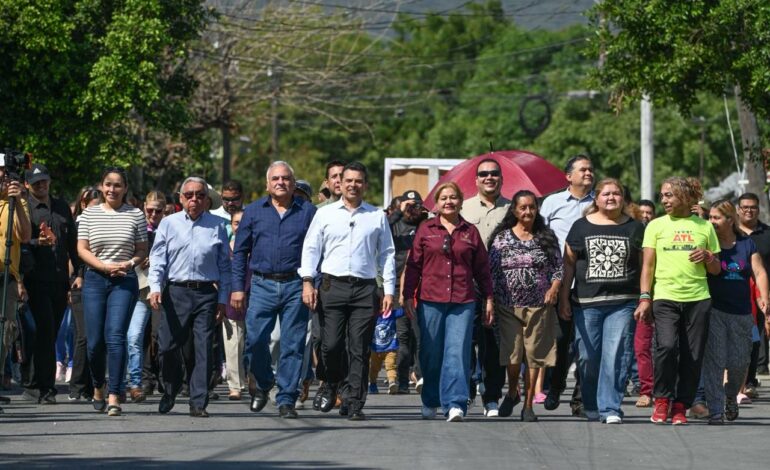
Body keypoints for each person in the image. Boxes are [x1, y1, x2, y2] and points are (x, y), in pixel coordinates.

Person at [300, 161, 396, 421]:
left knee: (359, 348)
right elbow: (311, 248)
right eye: (348, 180)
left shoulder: (376, 216)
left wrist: (388, 289)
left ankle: (354, 401)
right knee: (330, 345)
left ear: (365, 185)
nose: (353, 185)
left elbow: (386, 254)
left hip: (365, 290)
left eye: (358, 181)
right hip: (332, 286)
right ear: (339, 184)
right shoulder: (325, 214)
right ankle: (331, 383)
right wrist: (307, 281)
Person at [230, 161, 316, 419]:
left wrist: (311, 283)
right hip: (261, 284)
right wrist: (237, 288)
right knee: (255, 341)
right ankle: (264, 383)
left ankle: (287, 398)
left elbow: (316, 251)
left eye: (286, 178)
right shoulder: (254, 211)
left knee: (293, 345)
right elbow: (240, 253)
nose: (281, 182)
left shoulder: (308, 212)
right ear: (267, 184)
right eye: (276, 178)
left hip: (295, 284)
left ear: (293, 182)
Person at [403, 182, 493, 422]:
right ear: (437, 203)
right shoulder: (426, 229)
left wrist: (489, 298)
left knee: (458, 352)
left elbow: (483, 269)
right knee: (431, 354)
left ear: (461, 201)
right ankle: (431, 400)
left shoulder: (469, 231)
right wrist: (407, 295)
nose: (449, 202)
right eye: (444, 198)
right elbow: (413, 266)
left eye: (453, 197)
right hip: (430, 300)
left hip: (462, 301)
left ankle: (455, 403)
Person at [635, 176, 720, 425]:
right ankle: (662, 400)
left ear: (683, 196)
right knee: (667, 347)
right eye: (662, 195)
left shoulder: (704, 227)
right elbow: (647, 266)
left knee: (693, 355)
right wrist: (644, 298)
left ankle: (681, 405)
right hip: (665, 297)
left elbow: (715, 269)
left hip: (698, 298)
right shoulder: (656, 226)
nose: (664, 200)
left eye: (669, 195)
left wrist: (708, 257)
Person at [560, 179, 644, 424]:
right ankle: (590, 402)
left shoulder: (636, 228)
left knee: (616, 355)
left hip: (624, 302)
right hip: (586, 303)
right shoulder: (580, 227)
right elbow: (568, 265)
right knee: (588, 358)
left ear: (623, 199)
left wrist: (645, 298)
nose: (611, 197)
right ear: (596, 199)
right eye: (606, 193)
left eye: (616, 193)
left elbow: (645, 265)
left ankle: (610, 408)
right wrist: (564, 298)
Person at [148, 177, 231, 418]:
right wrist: (155, 287)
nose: (195, 199)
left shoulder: (217, 225)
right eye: (190, 194)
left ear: (207, 200)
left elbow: (225, 265)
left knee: (203, 348)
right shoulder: (168, 224)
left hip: (206, 292)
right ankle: (170, 390)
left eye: (200, 195)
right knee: (167, 347)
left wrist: (222, 299)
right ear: (181, 198)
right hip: (175, 292)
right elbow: (158, 260)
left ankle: (198, 402)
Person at [77, 167, 148, 416]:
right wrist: (104, 267)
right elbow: (82, 249)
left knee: (116, 337)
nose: (112, 189)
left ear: (125, 188)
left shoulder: (136, 214)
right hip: (96, 279)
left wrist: (129, 263)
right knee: (95, 342)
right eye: (108, 184)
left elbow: (141, 249)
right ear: (101, 186)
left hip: (124, 280)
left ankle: (114, 394)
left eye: (118, 185)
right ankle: (98, 385)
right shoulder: (88, 214)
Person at [488, 190, 562, 422]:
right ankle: (512, 392)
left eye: (531, 207)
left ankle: (528, 405)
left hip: (538, 305)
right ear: (514, 210)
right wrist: (489, 300)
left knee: (533, 356)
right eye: (523, 207)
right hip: (507, 305)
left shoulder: (546, 237)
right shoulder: (501, 239)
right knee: (512, 355)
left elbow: (558, 268)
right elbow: (489, 272)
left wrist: (554, 288)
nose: (528, 211)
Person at [701, 200, 769, 424]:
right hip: (714, 310)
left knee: (740, 362)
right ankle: (715, 410)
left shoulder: (746, 243)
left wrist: (764, 298)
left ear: (730, 220)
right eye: (710, 217)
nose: (712, 222)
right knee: (715, 361)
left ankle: (731, 395)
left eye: (716, 218)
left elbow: (758, 272)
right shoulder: (708, 241)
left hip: (742, 312)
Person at [20, 163, 80, 404]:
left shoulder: (62, 207)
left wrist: (78, 273)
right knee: (45, 332)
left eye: (43, 180)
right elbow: (21, 243)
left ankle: (33, 382)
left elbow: (73, 242)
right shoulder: (24, 209)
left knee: (51, 332)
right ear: (27, 185)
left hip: (60, 281)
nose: (41, 185)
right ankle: (45, 389)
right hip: (36, 279)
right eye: (35, 183)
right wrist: (37, 242)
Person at [539, 154, 595, 415]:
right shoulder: (552, 203)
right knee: (561, 341)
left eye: (590, 170)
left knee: (587, 343)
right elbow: (540, 238)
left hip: (591, 281)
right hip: (559, 281)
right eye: (582, 170)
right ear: (568, 176)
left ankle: (580, 399)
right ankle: (556, 384)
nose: (588, 173)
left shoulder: (600, 204)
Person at [460, 158, 510, 417]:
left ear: (501, 178)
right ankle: (466, 390)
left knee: (494, 343)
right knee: (466, 340)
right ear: (476, 179)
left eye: (494, 174)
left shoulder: (512, 209)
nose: (489, 177)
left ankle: (491, 395)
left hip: (502, 285)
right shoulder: (463, 208)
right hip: (467, 283)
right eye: (484, 174)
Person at [124, 191, 166, 402]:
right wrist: (140, 256)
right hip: (140, 288)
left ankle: (164, 380)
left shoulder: (170, 228)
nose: (153, 214)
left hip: (163, 290)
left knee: (160, 337)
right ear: (144, 208)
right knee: (135, 337)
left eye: (158, 211)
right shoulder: (136, 226)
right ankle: (137, 381)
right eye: (149, 210)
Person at [0, 156, 32, 412]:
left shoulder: (18, 202)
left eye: (4, 173)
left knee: (5, 333)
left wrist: (17, 201)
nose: (2, 177)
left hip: (7, 277)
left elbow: (25, 234)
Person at [389, 189, 429, 394]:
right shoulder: (394, 225)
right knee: (403, 337)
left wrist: (426, 212)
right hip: (396, 288)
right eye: (409, 205)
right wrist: (398, 211)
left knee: (420, 336)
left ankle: (420, 375)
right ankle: (403, 380)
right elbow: (380, 230)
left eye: (416, 205)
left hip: (422, 287)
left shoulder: (426, 225)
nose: (412, 209)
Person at [67, 187, 103, 401]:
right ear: (83, 205)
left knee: (96, 337)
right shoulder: (79, 225)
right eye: (95, 207)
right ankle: (77, 385)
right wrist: (74, 279)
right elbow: (74, 257)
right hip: (80, 284)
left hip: (98, 283)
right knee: (84, 335)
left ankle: (91, 385)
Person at [736, 193, 770, 385]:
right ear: (738, 210)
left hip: (759, 296)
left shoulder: (767, 234)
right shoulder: (729, 233)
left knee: (754, 338)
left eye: (753, 207)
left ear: (758, 209)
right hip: (733, 293)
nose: (749, 210)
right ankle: (732, 381)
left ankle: (748, 380)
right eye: (745, 207)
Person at [223, 209, 247, 400]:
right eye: (236, 223)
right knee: (233, 345)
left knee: (256, 343)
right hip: (230, 301)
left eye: (243, 222)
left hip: (255, 298)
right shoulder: (225, 248)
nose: (239, 227)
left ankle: (254, 380)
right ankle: (235, 385)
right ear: (231, 225)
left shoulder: (256, 247)